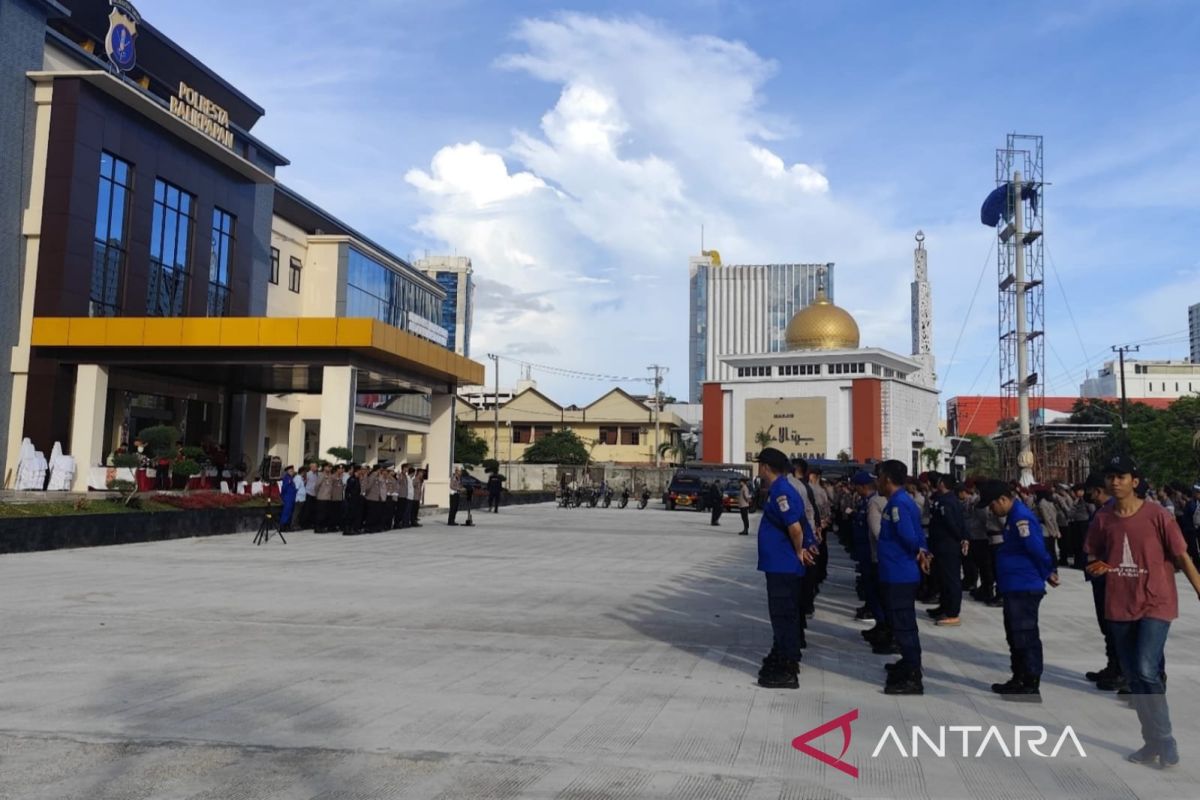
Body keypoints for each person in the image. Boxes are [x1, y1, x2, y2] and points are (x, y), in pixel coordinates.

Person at [1084, 454, 1200, 768]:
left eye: (1121, 476)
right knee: (1135, 678)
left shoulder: (1158, 515)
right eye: (1110, 476)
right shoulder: (1103, 518)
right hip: (1119, 605)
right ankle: (1152, 743)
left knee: (1147, 669)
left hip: (1156, 602)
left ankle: (1165, 740)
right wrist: (1099, 568)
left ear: (1135, 482)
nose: (1114, 481)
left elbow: (1183, 556)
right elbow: (1092, 553)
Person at [977, 480, 1059, 700]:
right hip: (1014, 585)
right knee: (1014, 634)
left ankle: (1030, 680)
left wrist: (1047, 572)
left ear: (1003, 499)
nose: (991, 510)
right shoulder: (1013, 517)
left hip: (1024, 585)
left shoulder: (1021, 518)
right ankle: (1019, 676)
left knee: (1025, 635)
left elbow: (1036, 549)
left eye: (992, 505)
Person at [752, 447, 817, 690]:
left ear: (766, 467)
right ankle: (782, 654)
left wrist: (800, 549)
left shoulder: (781, 491)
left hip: (783, 565)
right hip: (779, 564)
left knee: (783, 616)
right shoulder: (782, 489)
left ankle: (788, 667)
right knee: (782, 616)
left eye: (760, 465)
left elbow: (796, 527)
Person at [875, 459, 929, 695]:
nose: (877, 481)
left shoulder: (897, 504)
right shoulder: (902, 501)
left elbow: (909, 536)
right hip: (897, 572)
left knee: (904, 625)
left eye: (879, 477)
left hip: (900, 573)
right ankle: (907, 664)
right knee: (902, 623)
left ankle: (912, 675)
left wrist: (919, 552)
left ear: (886, 479)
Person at [927, 473, 967, 626]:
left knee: (951, 579)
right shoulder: (942, 499)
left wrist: (960, 538)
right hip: (940, 545)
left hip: (948, 545)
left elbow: (952, 524)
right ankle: (944, 606)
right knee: (943, 578)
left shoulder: (947, 501)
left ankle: (952, 612)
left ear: (943, 484)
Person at [343, 465, 363, 534]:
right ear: (357, 471)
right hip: (351, 500)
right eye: (360, 470)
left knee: (356, 515)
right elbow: (348, 490)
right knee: (350, 515)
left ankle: (354, 528)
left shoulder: (357, 479)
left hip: (356, 499)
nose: (361, 471)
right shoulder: (352, 479)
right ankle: (348, 529)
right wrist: (349, 499)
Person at [302, 463, 320, 529]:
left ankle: (310, 523)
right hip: (308, 493)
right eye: (315, 467)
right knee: (307, 510)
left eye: (316, 466)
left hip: (314, 494)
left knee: (313, 510)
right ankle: (304, 524)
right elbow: (304, 482)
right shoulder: (308, 474)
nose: (316, 468)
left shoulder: (317, 474)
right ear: (311, 467)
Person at [279, 465, 298, 530]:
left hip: (291, 497)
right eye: (291, 471)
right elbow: (284, 488)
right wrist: (283, 497)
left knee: (289, 512)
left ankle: (287, 526)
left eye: (292, 470)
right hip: (288, 497)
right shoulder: (287, 478)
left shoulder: (291, 478)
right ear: (287, 471)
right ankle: (283, 526)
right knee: (286, 512)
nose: (292, 472)